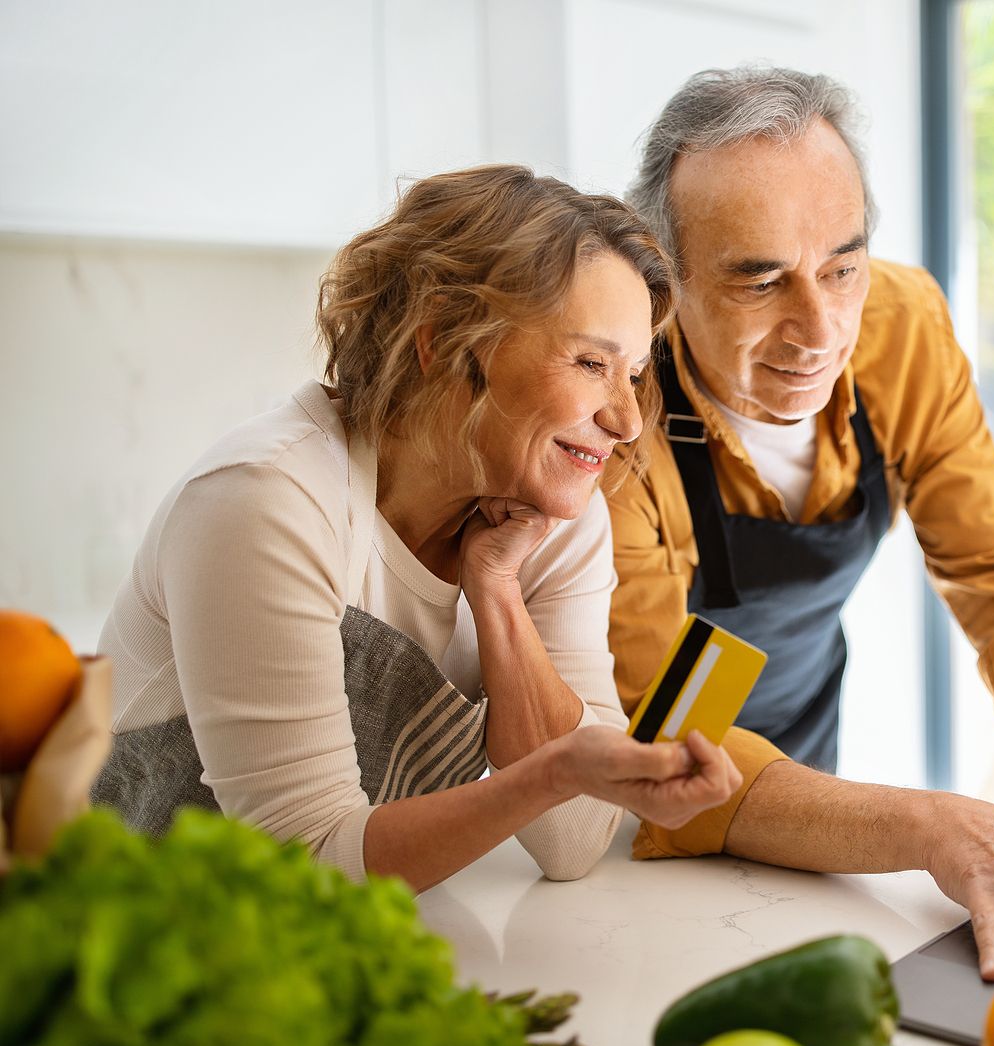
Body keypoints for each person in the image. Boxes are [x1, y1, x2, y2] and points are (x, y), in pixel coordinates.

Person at [607, 68, 994, 980]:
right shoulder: (616, 406)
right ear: (664, 279)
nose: (819, 327)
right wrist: (937, 823)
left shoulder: (902, 323)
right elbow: (662, 736)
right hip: (633, 821)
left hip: (807, 770)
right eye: (761, 283)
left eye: (842, 266)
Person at [92, 165, 741, 892]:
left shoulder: (553, 516)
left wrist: (494, 592)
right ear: (440, 338)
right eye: (591, 362)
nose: (625, 421)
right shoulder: (265, 500)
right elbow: (308, 867)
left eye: (632, 375)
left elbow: (575, 837)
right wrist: (554, 770)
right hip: (116, 939)